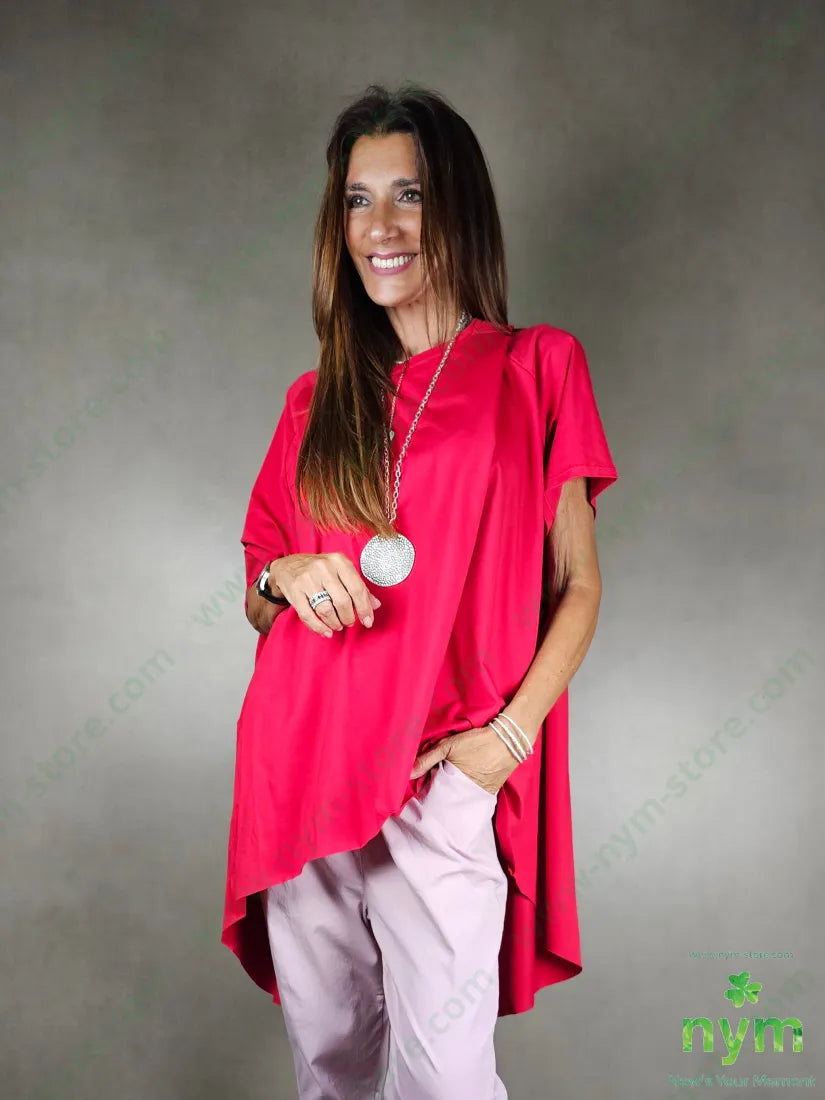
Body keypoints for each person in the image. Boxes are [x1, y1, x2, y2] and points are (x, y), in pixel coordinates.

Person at [221, 82, 619, 1100]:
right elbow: (261, 591)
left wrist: (504, 744)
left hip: (440, 774)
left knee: (447, 1078)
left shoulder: (536, 366)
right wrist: (285, 573)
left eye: (410, 195)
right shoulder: (313, 401)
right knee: (332, 1072)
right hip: (297, 766)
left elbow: (578, 584)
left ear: (459, 209)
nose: (381, 226)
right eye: (358, 200)